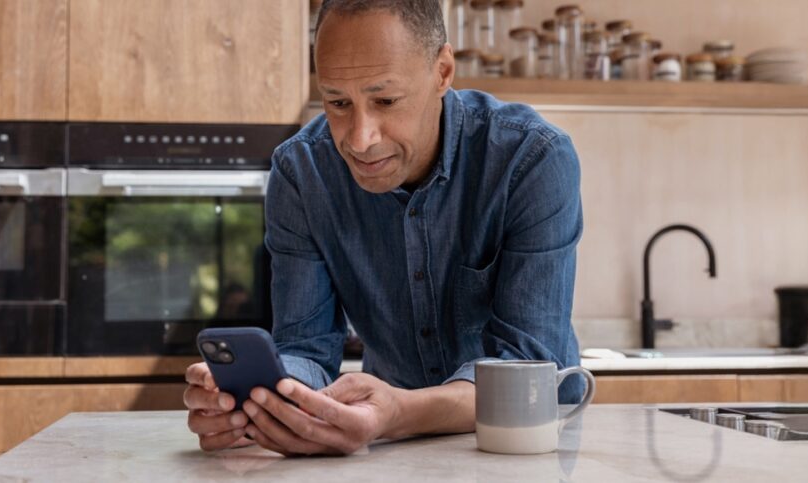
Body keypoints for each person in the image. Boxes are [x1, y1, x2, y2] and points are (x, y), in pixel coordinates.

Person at [184, 0, 584, 456]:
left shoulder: (531, 159)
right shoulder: (300, 174)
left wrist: (397, 413)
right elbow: (306, 350)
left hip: (530, 445)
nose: (359, 139)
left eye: (385, 100)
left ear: (443, 71)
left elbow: (529, 367)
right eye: (337, 102)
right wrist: (263, 403)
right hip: (393, 446)